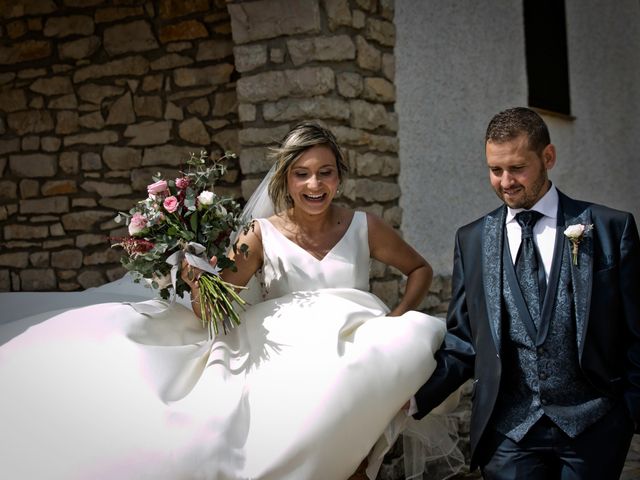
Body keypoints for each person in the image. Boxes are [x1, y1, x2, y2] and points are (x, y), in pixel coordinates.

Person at [0, 121, 452, 480]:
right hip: (294, 365)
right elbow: (216, 307)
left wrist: (395, 320)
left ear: (339, 177)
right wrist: (195, 276)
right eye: (302, 173)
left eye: (325, 172)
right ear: (286, 179)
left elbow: (420, 270)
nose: (314, 184)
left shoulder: (363, 226)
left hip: (357, 357)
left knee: (355, 461)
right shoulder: (262, 234)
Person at [412, 107, 640, 479]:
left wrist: (629, 411)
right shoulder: (471, 240)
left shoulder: (610, 228)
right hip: (509, 434)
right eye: (495, 170)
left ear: (547, 157)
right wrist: (408, 399)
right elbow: (464, 341)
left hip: (594, 428)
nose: (505, 182)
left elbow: (636, 331)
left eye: (517, 168)